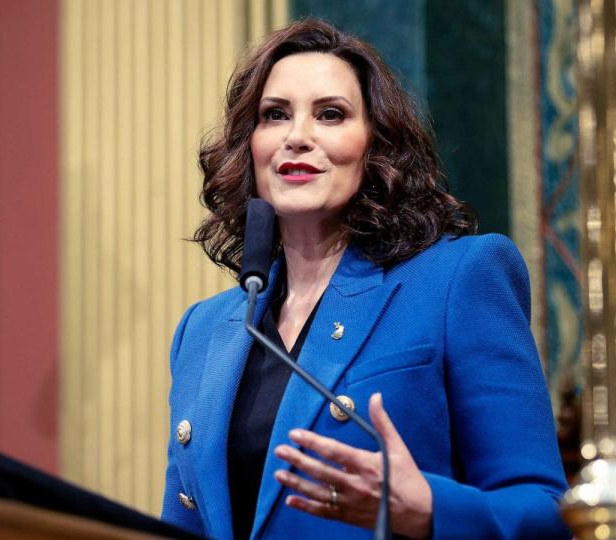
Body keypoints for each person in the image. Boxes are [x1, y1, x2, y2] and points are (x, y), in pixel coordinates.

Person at [160, 19, 570, 540]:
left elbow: (545, 512)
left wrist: (428, 508)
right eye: (274, 115)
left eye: (331, 115)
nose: (297, 137)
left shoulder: (458, 278)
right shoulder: (203, 330)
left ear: (376, 144)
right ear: (251, 147)